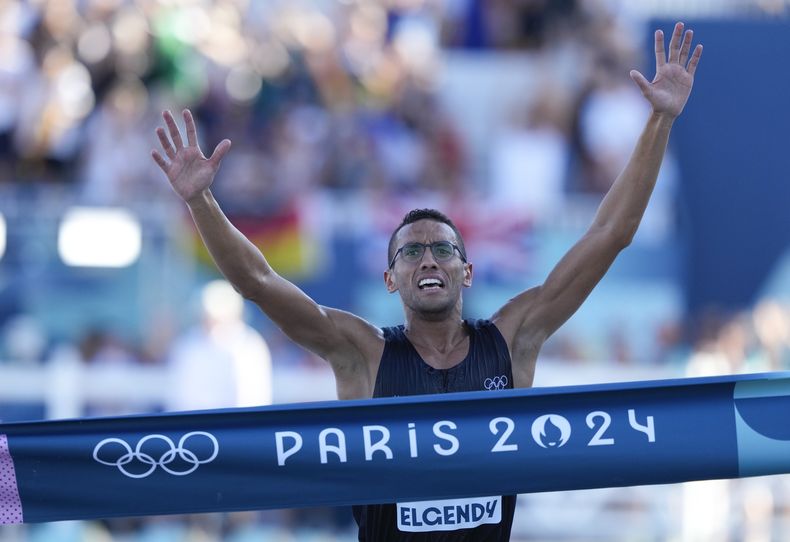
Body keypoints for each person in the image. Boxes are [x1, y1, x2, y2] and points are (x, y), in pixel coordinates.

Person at [152, 22, 702, 542]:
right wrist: (200, 200)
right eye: (411, 252)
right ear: (390, 279)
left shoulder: (512, 340)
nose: (428, 260)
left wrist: (660, 121)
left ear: (467, 270)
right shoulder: (360, 355)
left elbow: (610, 233)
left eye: (443, 248)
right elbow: (258, 280)